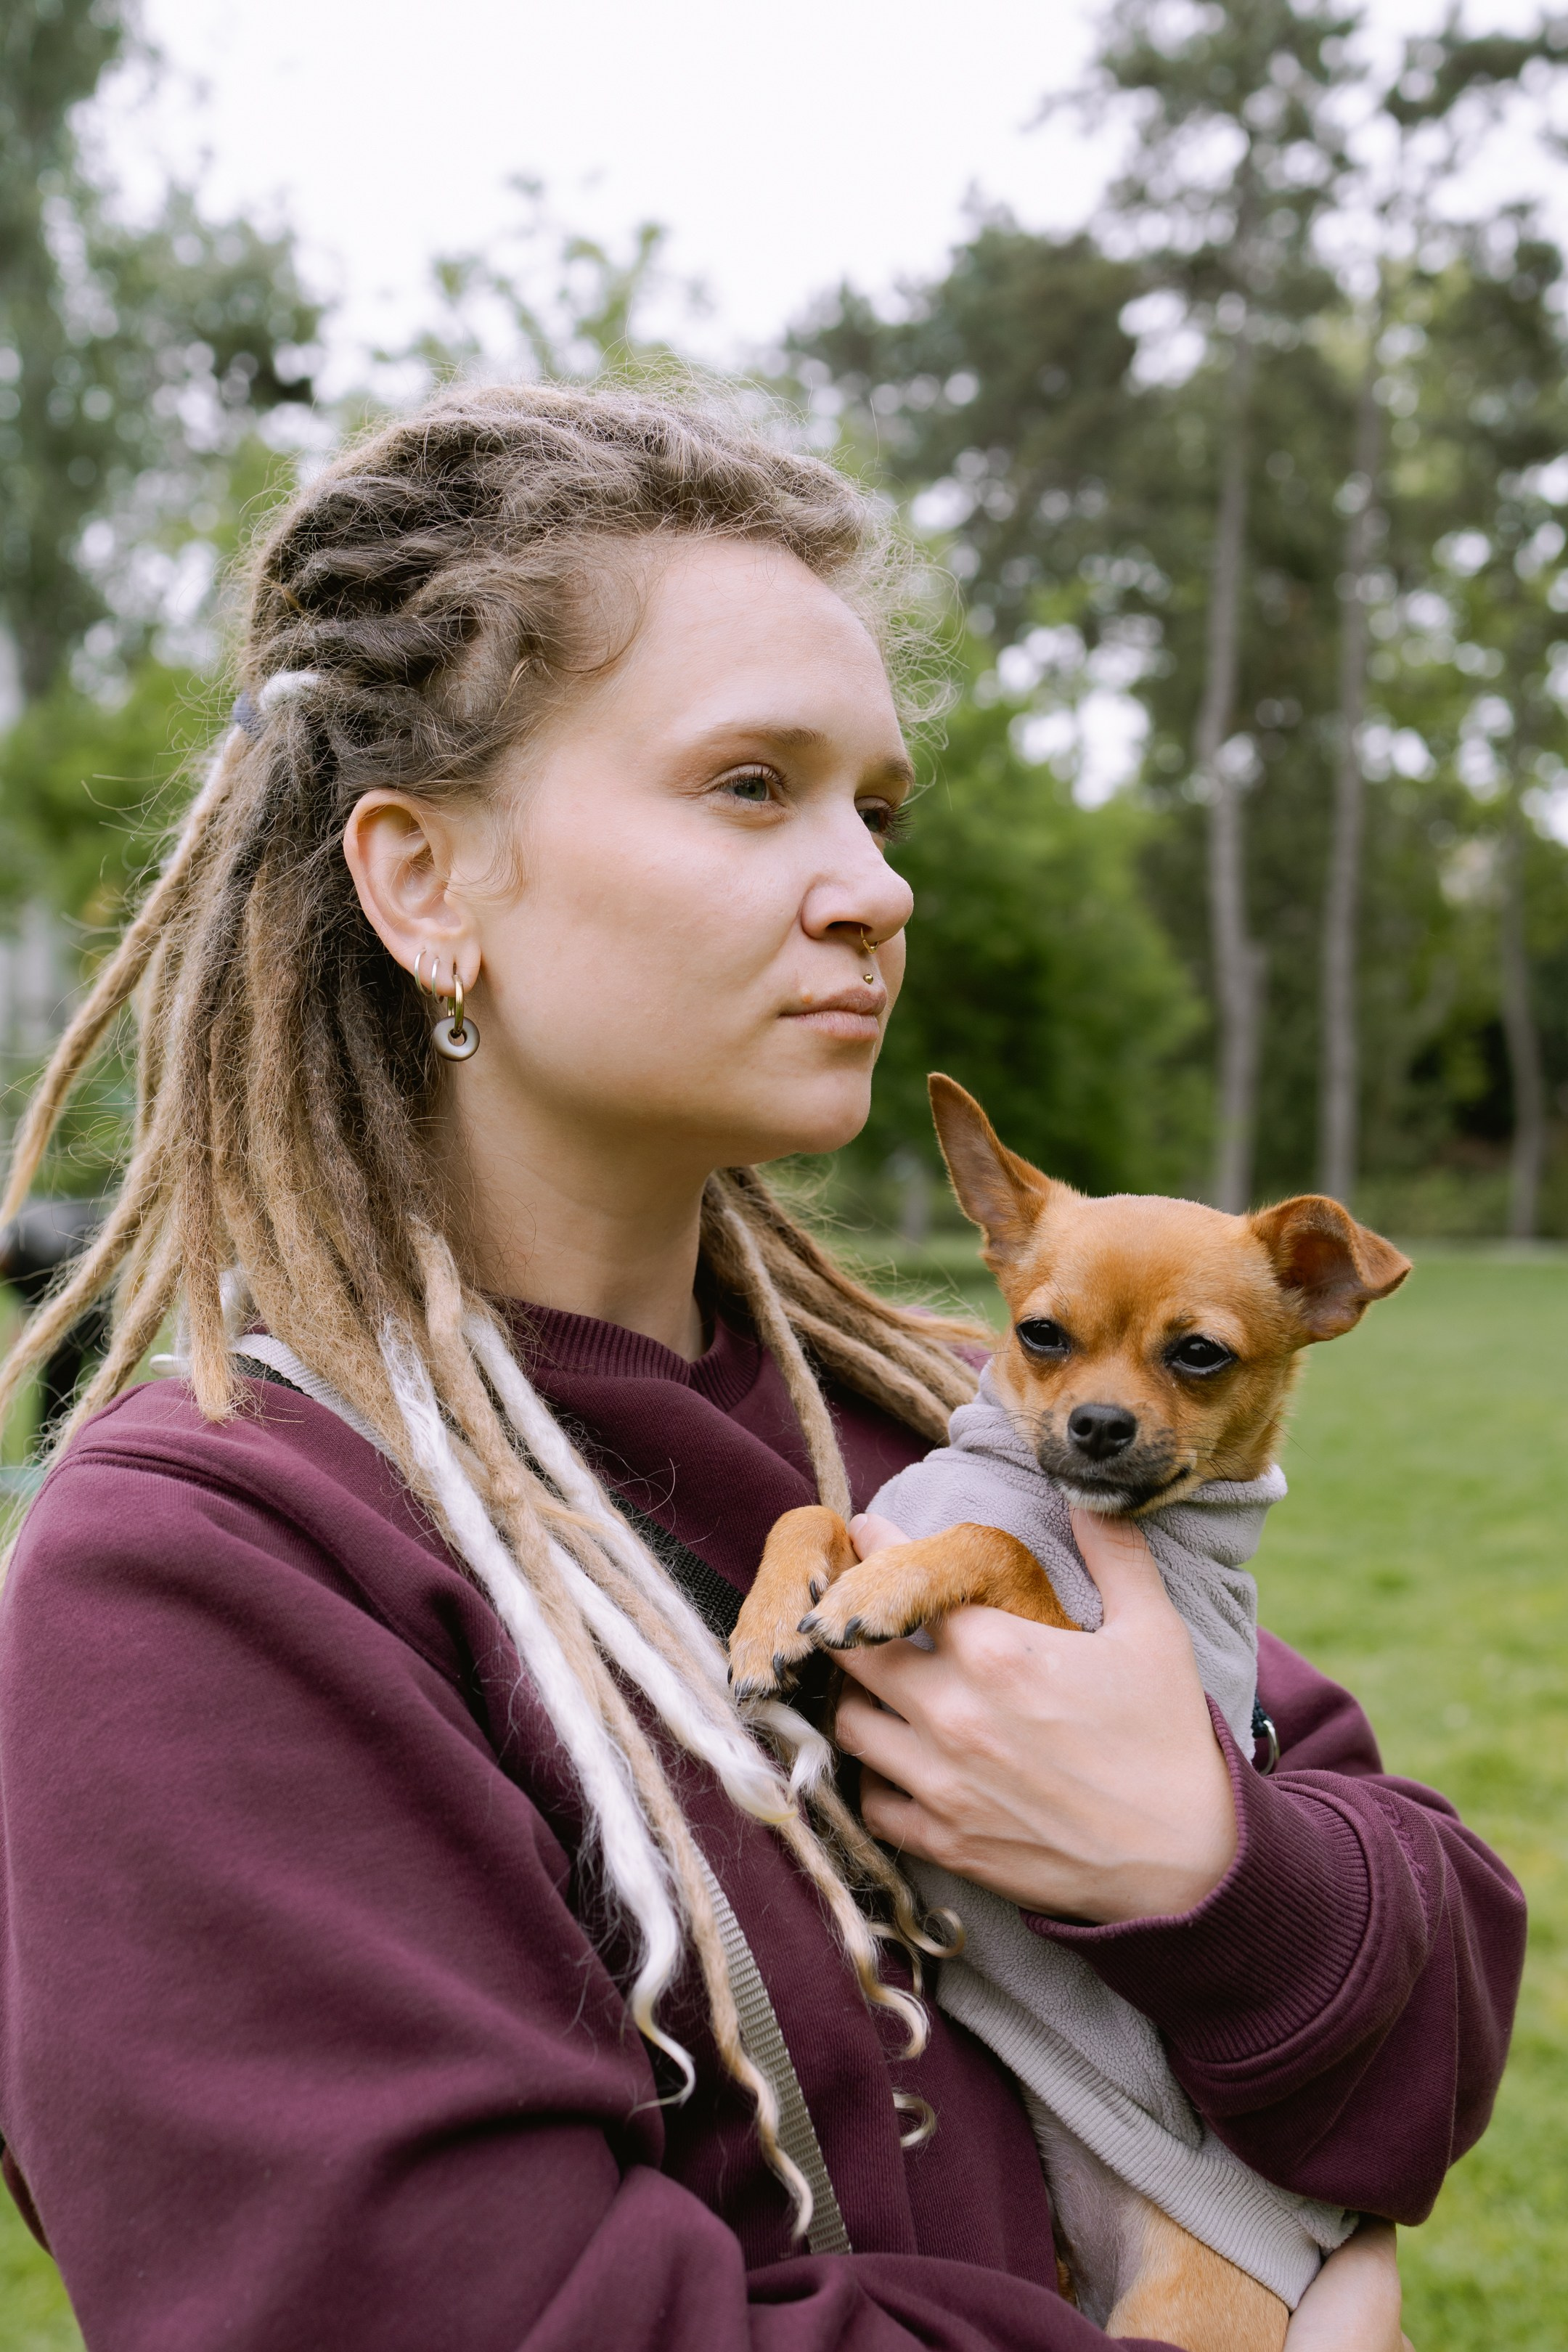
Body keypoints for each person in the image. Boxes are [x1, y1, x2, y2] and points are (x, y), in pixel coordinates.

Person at [0, 384, 1523, 2352]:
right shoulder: (210, 1577)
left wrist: (1209, 1871)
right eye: (752, 787)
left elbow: (1434, 2018)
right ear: (423, 885)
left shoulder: (941, 1417)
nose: (877, 889)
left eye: (876, 809)